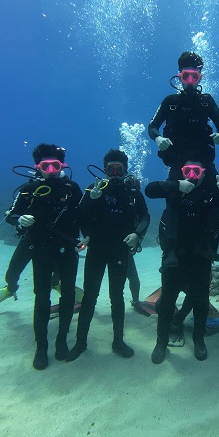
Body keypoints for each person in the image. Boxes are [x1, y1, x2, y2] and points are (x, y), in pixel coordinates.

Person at [145, 158, 219, 363]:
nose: (192, 176)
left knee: (201, 301)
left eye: (197, 171)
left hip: (201, 258)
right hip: (173, 257)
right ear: (182, 172)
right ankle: (161, 342)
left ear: (204, 173)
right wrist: (175, 184)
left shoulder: (212, 193)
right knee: (167, 301)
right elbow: (150, 190)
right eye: (188, 171)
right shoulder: (176, 190)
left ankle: (198, 339)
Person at [5, 143, 85, 370]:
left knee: (68, 295)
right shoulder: (28, 189)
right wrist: (19, 220)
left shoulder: (72, 188)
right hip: (40, 248)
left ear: (63, 166)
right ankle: (41, 346)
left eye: (55, 165)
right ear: (37, 167)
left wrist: (89, 236)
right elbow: (11, 214)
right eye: (45, 166)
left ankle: (61, 341)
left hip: (67, 249)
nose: (50, 170)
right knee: (41, 296)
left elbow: (84, 215)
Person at [66, 150, 150, 362]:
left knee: (117, 296)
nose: (114, 174)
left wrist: (137, 234)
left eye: (118, 170)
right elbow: (78, 215)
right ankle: (80, 342)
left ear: (125, 171)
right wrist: (91, 202)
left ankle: (118, 341)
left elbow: (145, 216)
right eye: (110, 169)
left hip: (120, 251)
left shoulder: (132, 193)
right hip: (97, 250)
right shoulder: (94, 189)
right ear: (104, 170)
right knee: (90, 296)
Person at [148, 51, 219, 267]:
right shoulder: (170, 101)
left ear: (200, 78)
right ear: (179, 77)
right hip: (177, 163)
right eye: (186, 76)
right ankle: (170, 250)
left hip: (204, 164)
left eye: (195, 76)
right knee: (173, 201)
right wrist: (157, 138)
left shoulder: (206, 101)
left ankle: (206, 243)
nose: (191, 81)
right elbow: (153, 126)